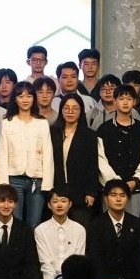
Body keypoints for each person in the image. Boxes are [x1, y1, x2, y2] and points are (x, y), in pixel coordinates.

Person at [0, 81, 55, 228]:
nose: (25, 100)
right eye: (21, 96)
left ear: (34, 98)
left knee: (34, 223)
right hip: (13, 179)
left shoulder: (42, 123)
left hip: (37, 180)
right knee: (15, 223)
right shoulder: (7, 123)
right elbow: (2, 155)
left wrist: (47, 184)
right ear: (15, 99)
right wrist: (3, 184)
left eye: (29, 96)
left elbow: (48, 154)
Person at [97, 85, 140, 218]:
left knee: (133, 224)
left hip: (134, 189)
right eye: (121, 99)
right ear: (115, 101)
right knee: (110, 224)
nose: (125, 102)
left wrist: (136, 180)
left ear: (135, 102)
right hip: (111, 189)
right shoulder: (104, 129)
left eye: (129, 99)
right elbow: (100, 159)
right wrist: (115, 182)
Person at [50, 94, 100, 227]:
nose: (70, 112)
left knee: (80, 228)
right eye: (66, 108)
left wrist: (91, 192)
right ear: (61, 110)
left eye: (75, 108)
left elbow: (93, 166)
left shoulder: (89, 135)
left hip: (80, 191)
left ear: (81, 111)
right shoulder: (52, 132)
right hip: (57, 190)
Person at [35, 186, 86, 279]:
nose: (59, 205)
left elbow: (79, 260)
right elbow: (45, 262)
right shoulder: (40, 230)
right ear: (49, 205)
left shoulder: (79, 229)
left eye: (63, 201)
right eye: (55, 201)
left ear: (70, 204)